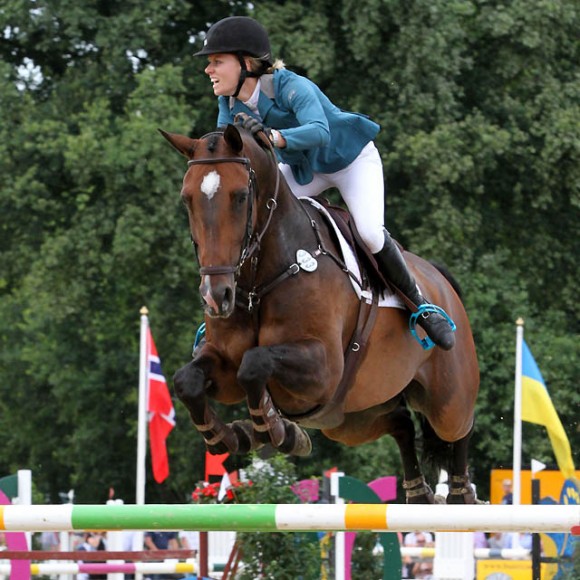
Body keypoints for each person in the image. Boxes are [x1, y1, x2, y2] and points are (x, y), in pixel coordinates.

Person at [195, 16, 456, 351]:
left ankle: (422, 307)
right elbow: (225, 148)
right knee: (253, 222)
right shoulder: (228, 101)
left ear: (246, 63)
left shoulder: (291, 86)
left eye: (217, 61)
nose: (209, 70)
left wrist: (272, 137)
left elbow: (320, 131)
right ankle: (228, 318)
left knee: (370, 232)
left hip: (349, 161)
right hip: (306, 170)